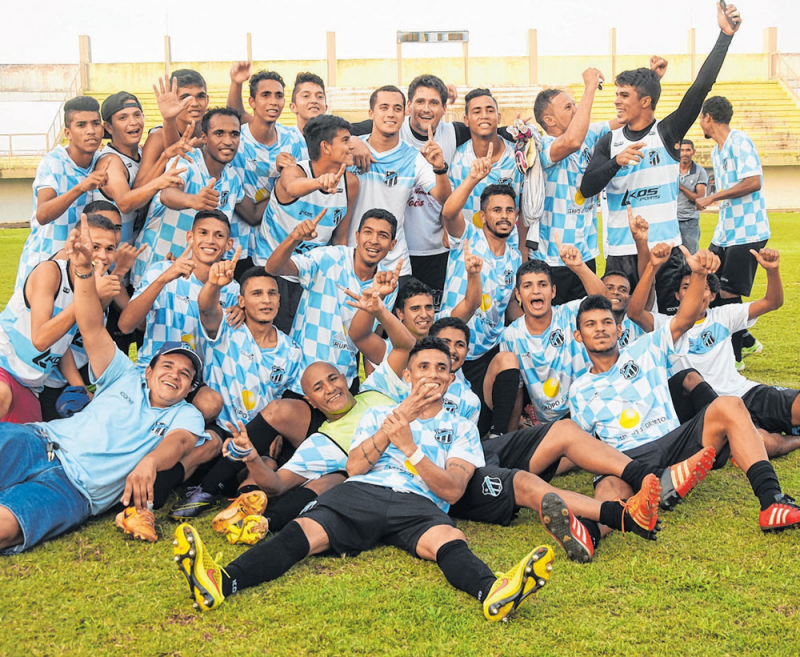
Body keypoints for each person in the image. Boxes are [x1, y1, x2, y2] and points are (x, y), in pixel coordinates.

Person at [172, 339, 556, 621]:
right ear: (408, 375)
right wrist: (401, 419)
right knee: (302, 533)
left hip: (419, 504)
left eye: (442, 368)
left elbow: (454, 490)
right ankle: (221, 582)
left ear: (452, 378)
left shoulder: (460, 427)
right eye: (424, 367)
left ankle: (493, 592)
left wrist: (413, 450)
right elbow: (355, 468)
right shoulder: (379, 414)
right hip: (361, 492)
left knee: (450, 541)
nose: (433, 375)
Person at [0, 214, 210, 554]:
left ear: (189, 389)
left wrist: (151, 462)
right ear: (148, 371)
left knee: (6, 526)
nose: (174, 374)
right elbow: (92, 326)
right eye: (168, 365)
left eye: (185, 374)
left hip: (74, 489)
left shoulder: (186, 416)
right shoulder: (123, 374)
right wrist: (83, 270)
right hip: (41, 442)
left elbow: (181, 444)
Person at [569, 247, 800, 534]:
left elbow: (685, 319)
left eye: (607, 323)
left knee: (728, 404)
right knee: (609, 485)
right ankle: (590, 534)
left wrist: (699, 273)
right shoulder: (578, 389)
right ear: (579, 335)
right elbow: (582, 447)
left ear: (619, 329)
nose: (600, 329)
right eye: (590, 325)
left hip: (672, 442)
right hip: (626, 458)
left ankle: (772, 502)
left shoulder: (646, 348)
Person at [579, 2, 742, 310]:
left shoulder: (667, 134)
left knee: (669, 328)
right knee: (621, 329)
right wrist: (616, 162)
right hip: (622, 253)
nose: (616, 101)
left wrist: (724, 36)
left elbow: (701, 87)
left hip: (666, 251)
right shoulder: (608, 141)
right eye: (616, 94)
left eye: (623, 95)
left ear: (645, 101)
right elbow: (587, 187)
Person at [627, 248, 800, 458]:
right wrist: (653, 266)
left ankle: (776, 425)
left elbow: (772, 302)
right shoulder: (665, 326)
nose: (696, 292)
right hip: (710, 406)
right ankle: (792, 438)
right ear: (677, 295)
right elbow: (635, 313)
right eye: (686, 287)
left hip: (743, 391)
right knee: (763, 444)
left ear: (712, 295)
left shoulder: (723, 315)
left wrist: (772, 271)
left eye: (704, 287)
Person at [119, 210, 241, 421]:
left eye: (218, 235)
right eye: (203, 232)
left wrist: (243, 311)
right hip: (152, 368)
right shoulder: (162, 270)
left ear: (228, 244)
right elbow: (125, 326)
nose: (210, 240)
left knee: (211, 404)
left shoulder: (232, 289)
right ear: (190, 237)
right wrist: (163, 279)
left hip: (191, 378)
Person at [0, 214, 121, 424]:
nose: (102, 255)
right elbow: (40, 339)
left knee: (29, 445)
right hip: (4, 363)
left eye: (109, 249)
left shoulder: (88, 286)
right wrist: (89, 297)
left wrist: (82, 391)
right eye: (95, 246)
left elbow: (61, 344)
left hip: (30, 384)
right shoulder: (51, 272)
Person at [266, 208, 400, 388]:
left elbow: (370, 339)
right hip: (301, 378)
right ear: (357, 236)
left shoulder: (387, 283)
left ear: (392, 244)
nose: (374, 241)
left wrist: (371, 390)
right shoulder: (329, 257)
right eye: (368, 232)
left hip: (343, 383)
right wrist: (294, 238)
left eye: (383, 235)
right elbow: (274, 269)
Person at [439, 157, 522, 435]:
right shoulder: (469, 238)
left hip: (488, 350)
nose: (504, 216)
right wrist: (473, 178)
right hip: (453, 347)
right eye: (496, 210)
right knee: (463, 422)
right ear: (483, 216)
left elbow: (510, 303)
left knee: (511, 360)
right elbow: (449, 214)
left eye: (510, 210)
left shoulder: (515, 255)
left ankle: (502, 437)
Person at [254, 115, 360, 333]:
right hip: (272, 271)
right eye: (346, 140)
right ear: (326, 147)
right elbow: (292, 187)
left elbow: (340, 239)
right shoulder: (295, 171)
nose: (352, 146)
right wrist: (319, 182)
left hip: (310, 274)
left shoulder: (350, 182)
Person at [132, 108, 253, 285]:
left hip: (190, 282)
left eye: (234, 134)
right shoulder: (186, 160)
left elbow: (253, 214)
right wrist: (193, 200)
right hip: (154, 270)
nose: (228, 141)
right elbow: (168, 194)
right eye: (219, 133)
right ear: (204, 137)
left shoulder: (232, 177)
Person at [346, 85, 452, 280]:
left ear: (405, 114)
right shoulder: (350, 150)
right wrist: (351, 140)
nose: (391, 114)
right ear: (371, 113)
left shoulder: (413, 157)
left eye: (397, 109)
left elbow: (444, 197)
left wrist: (440, 168)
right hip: (351, 259)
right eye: (384, 107)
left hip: (395, 265)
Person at [498, 245, 608, 427]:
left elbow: (603, 301)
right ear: (518, 294)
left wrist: (579, 267)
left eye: (543, 284)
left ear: (553, 291)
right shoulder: (511, 336)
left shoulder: (570, 313)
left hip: (587, 409)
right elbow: (515, 391)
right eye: (527, 286)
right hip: (548, 425)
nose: (536, 291)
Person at [696, 96, 769, 369]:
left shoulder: (739, 141)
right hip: (726, 233)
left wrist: (713, 197)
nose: (699, 124)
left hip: (748, 232)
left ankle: (735, 358)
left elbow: (753, 181)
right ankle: (746, 339)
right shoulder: (717, 150)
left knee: (726, 293)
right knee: (709, 284)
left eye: (700, 118)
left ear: (708, 118)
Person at [533, 68, 616, 304]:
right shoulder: (543, 145)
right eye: (568, 107)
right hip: (553, 258)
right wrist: (590, 86)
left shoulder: (589, 133)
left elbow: (627, 120)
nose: (576, 109)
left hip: (585, 254)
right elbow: (572, 141)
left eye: (574, 104)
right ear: (549, 120)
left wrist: (652, 80)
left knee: (588, 321)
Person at [15, 97, 108, 290]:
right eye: (81, 125)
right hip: (45, 261)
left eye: (95, 124)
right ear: (68, 133)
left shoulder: (104, 160)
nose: (91, 130)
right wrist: (80, 187)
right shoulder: (53, 162)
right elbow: (43, 214)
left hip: (81, 264)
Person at [227, 68, 305, 278]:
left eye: (278, 95)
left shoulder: (293, 139)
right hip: (236, 244)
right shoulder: (236, 139)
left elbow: (306, 178)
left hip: (274, 243)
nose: (273, 102)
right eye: (265, 95)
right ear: (252, 102)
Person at [91, 92, 187, 250]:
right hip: (108, 255)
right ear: (108, 127)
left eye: (137, 115)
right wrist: (159, 181)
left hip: (132, 251)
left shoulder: (141, 154)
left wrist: (164, 156)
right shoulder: (110, 161)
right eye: (123, 118)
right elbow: (125, 203)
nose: (133, 122)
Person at [448, 89, 526, 259]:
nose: (484, 115)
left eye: (490, 111)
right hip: (467, 254)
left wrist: (523, 253)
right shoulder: (456, 158)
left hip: (508, 255)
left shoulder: (517, 157)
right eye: (477, 111)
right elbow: (448, 209)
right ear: (466, 120)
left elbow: (525, 211)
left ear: (498, 118)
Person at [134, 70, 208, 189]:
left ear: (207, 100)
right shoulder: (158, 137)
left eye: (200, 96)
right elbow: (138, 192)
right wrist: (169, 120)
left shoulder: (212, 134)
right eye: (186, 97)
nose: (194, 103)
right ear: (173, 100)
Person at [675, 139, 708, 255]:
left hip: (689, 222)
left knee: (690, 257)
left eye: (688, 150)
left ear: (693, 152)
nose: (684, 153)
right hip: (671, 220)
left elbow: (700, 198)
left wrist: (681, 187)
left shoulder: (700, 172)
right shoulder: (671, 169)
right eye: (682, 150)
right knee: (668, 258)